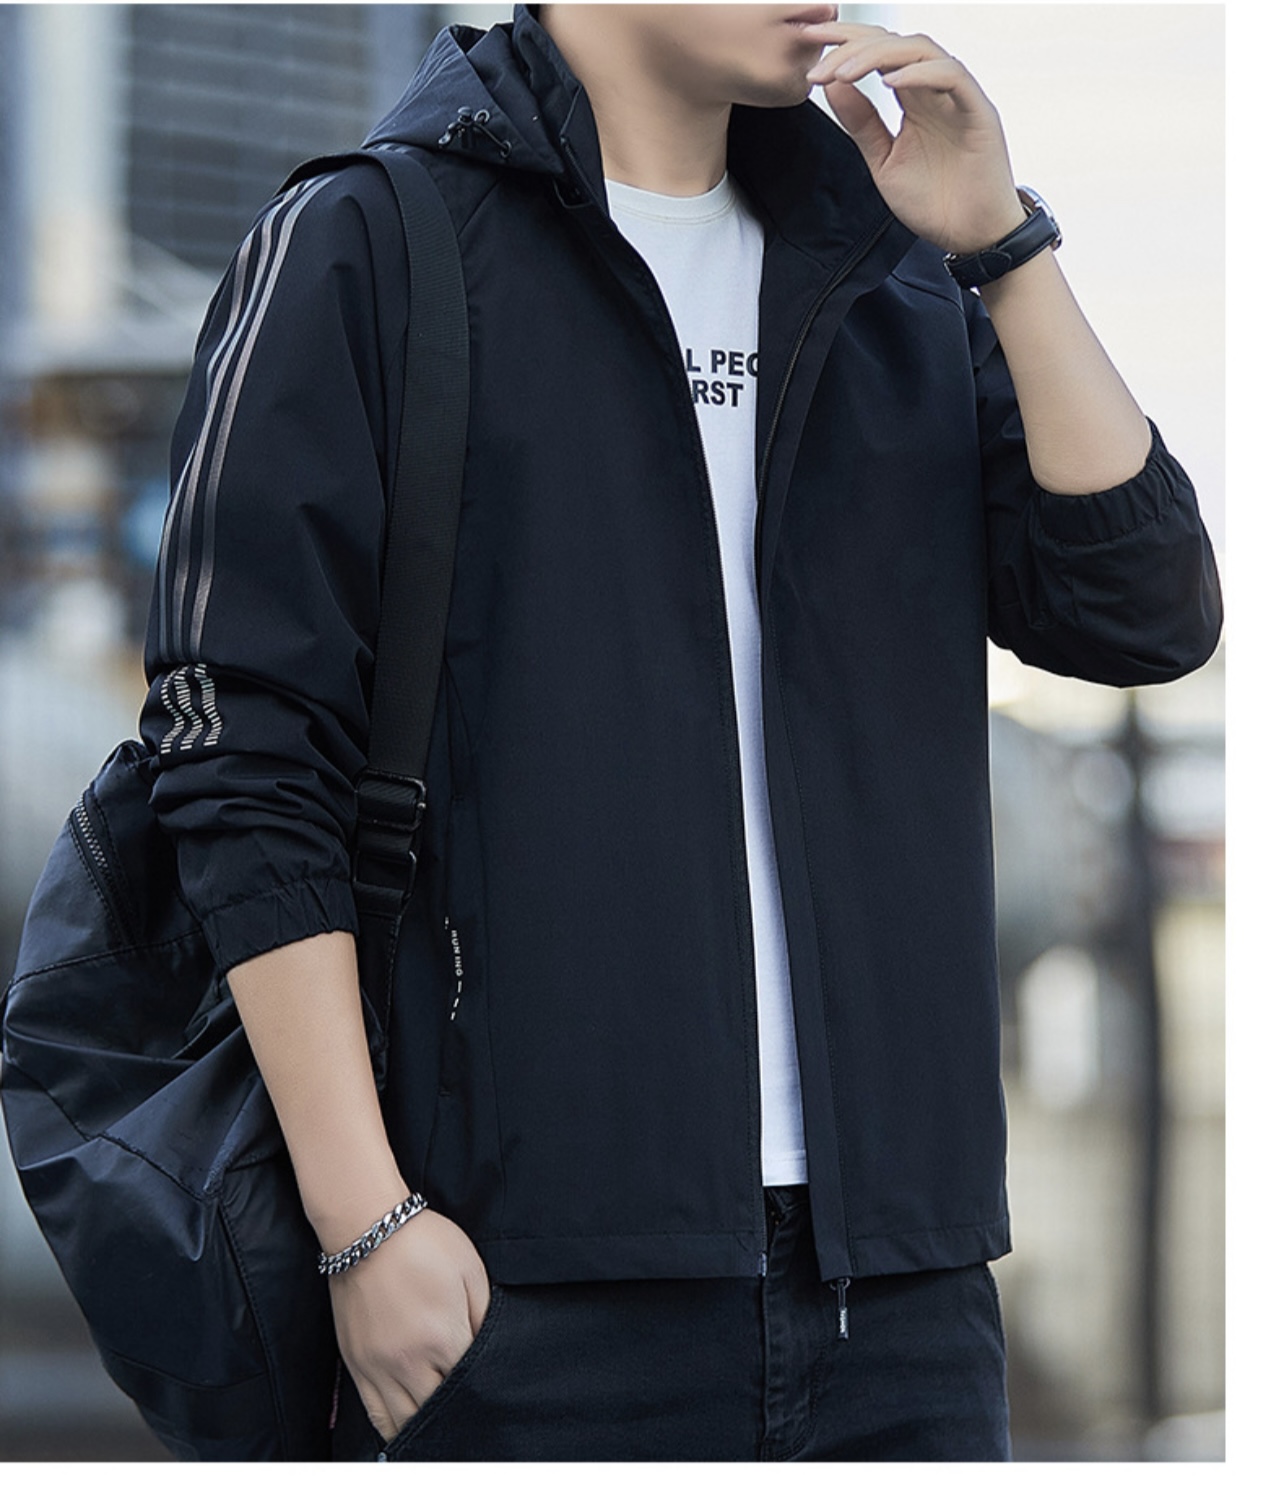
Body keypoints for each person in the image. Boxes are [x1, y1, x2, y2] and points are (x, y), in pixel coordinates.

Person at [140, 4, 1222, 1462]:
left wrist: (1002, 246)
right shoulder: (367, 244)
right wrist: (364, 1225)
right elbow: (239, 756)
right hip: (515, 1289)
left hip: (900, 1295)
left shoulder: (893, 272)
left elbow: (1144, 613)